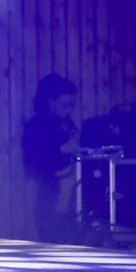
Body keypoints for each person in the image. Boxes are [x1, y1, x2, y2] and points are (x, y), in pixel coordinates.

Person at [22, 73, 81, 244]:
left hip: (71, 203)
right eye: (65, 105)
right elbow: (33, 159)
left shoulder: (68, 125)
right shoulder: (35, 126)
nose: (69, 110)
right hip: (50, 201)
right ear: (50, 102)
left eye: (72, 106)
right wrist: (62, 148)